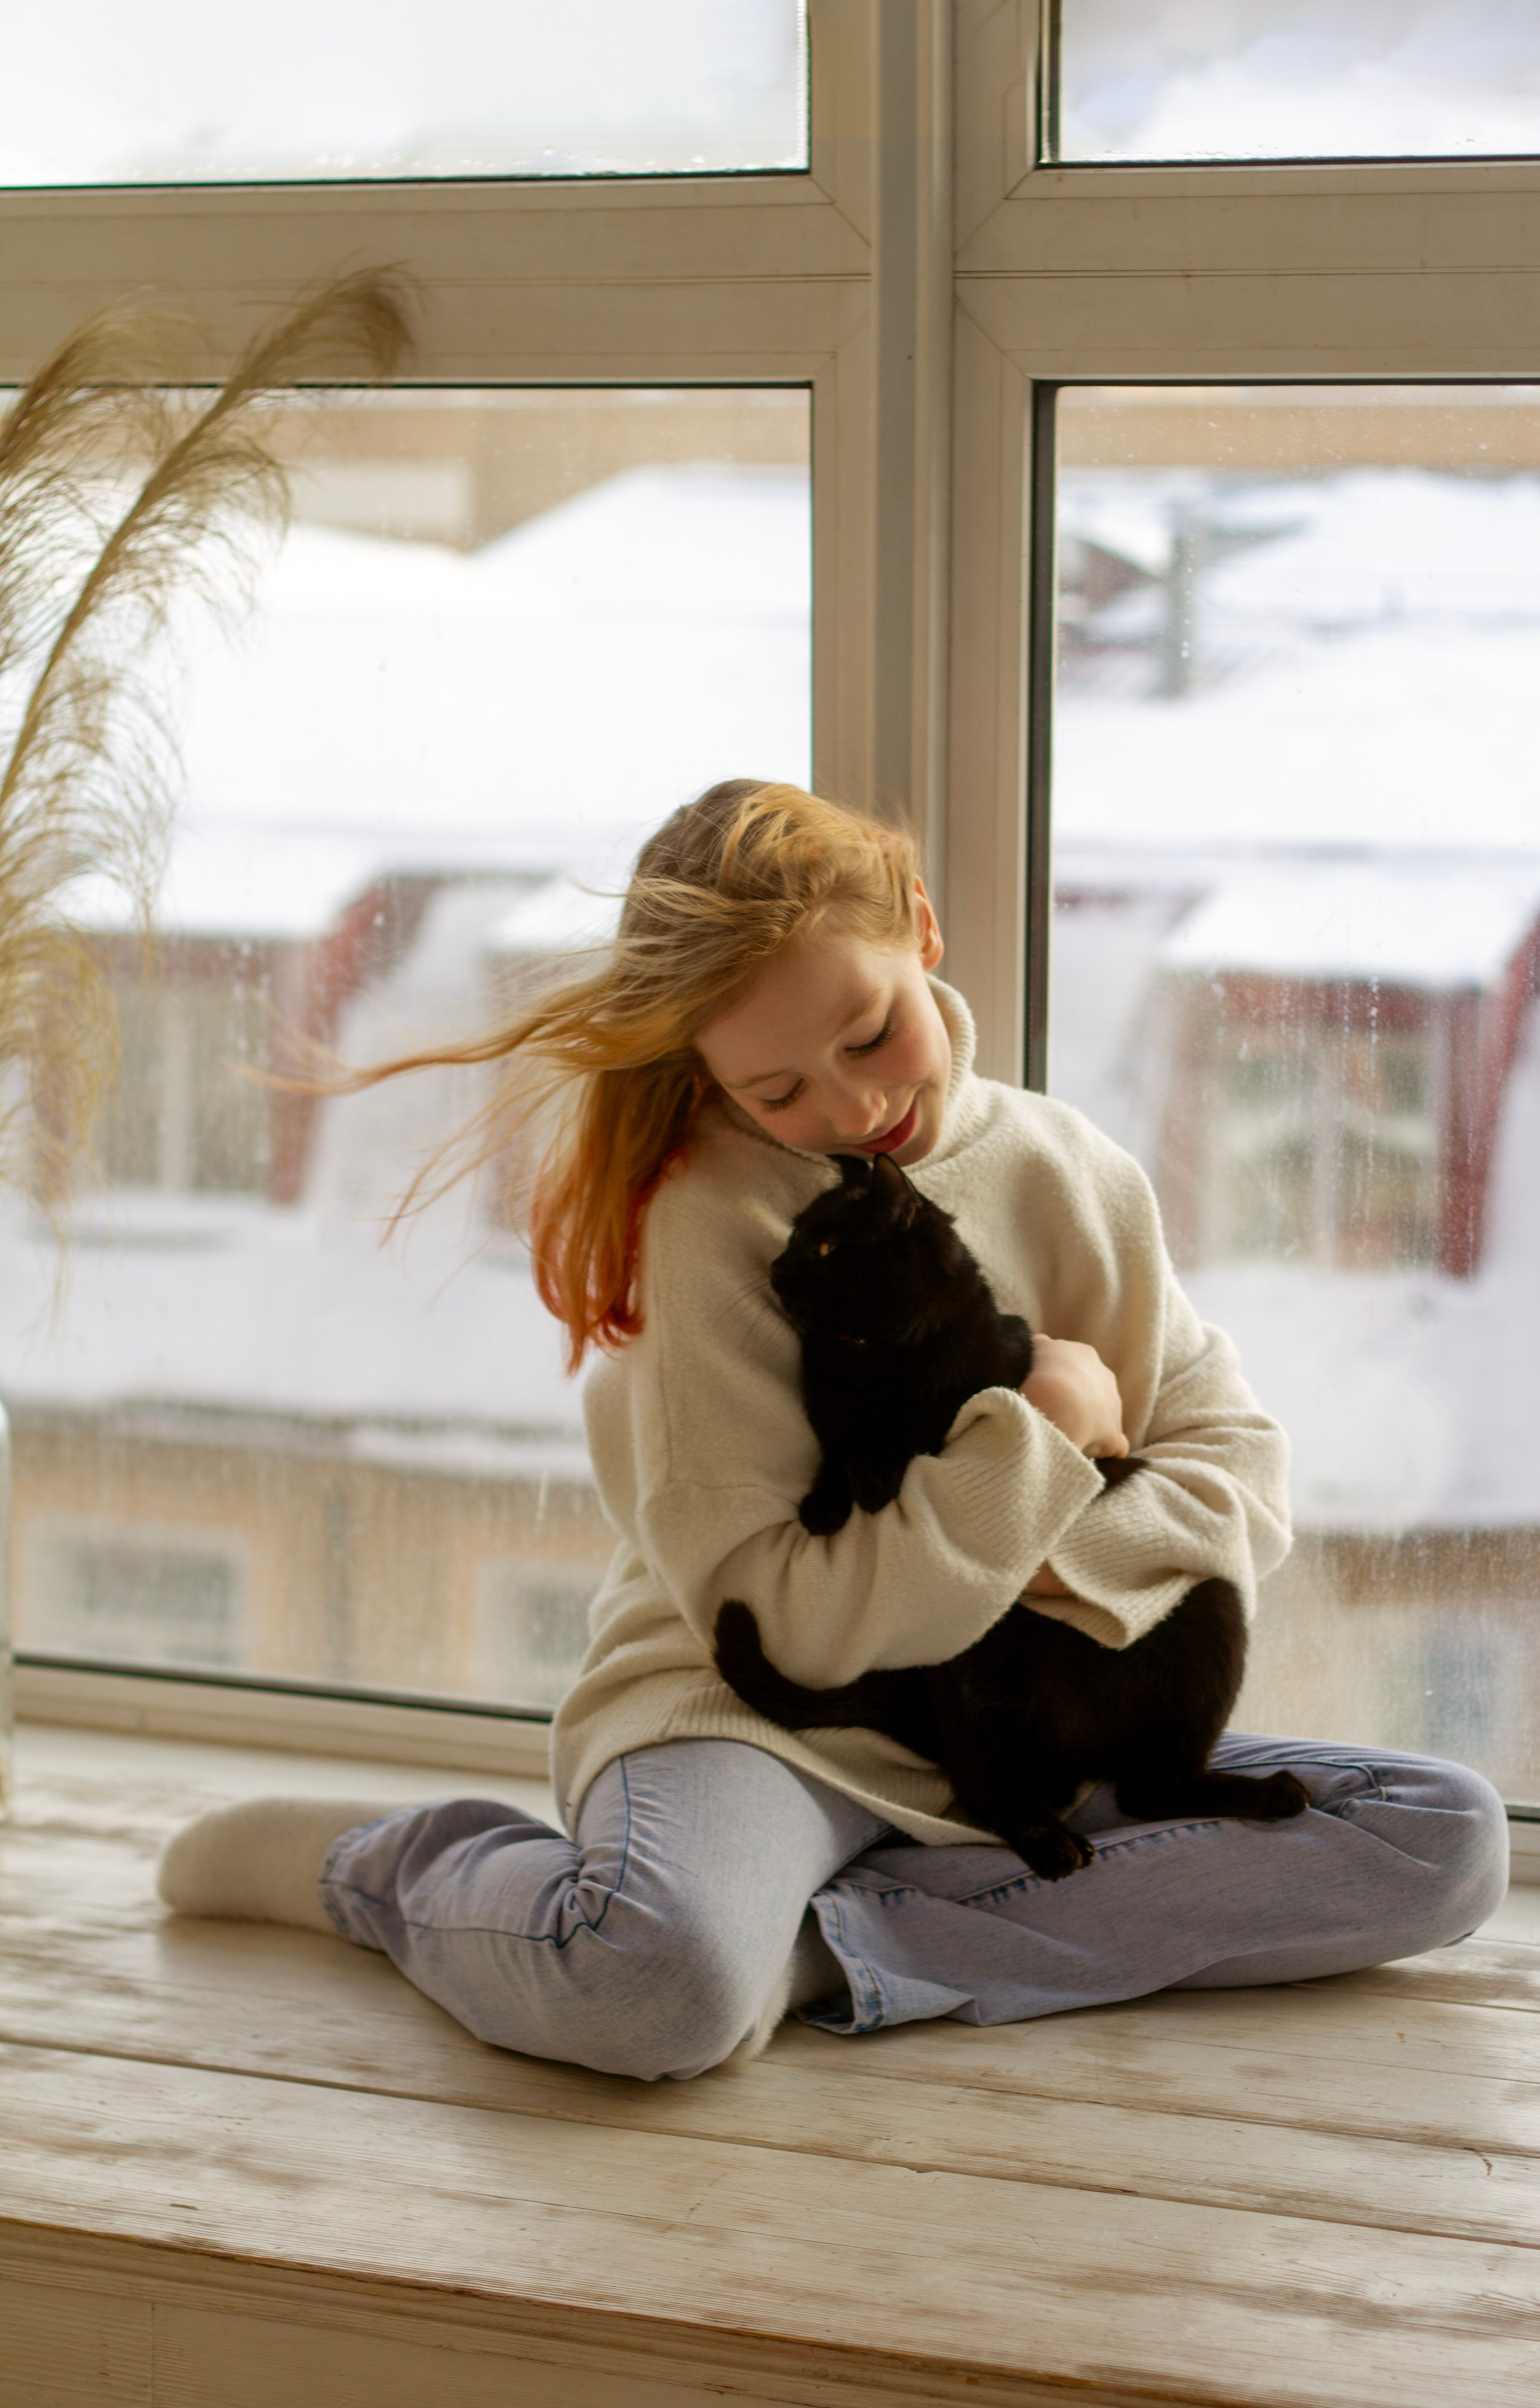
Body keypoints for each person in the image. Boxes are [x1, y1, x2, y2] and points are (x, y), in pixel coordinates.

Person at [159, 780, 1508, 2078]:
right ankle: (393, 1865)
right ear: (709, 1076)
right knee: (653, 1986)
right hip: (762, 1724)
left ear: (920, 928)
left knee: (1438, 1838)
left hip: (1019, 1732)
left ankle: (818, 1946)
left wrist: (1034, 1564)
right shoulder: (708, 1219)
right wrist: (1041, 1447)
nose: (852, 1112)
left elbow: (1241, 1481)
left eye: (867, 1034)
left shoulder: (1067, 1167)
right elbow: (789, 1629)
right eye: (775, 1090)